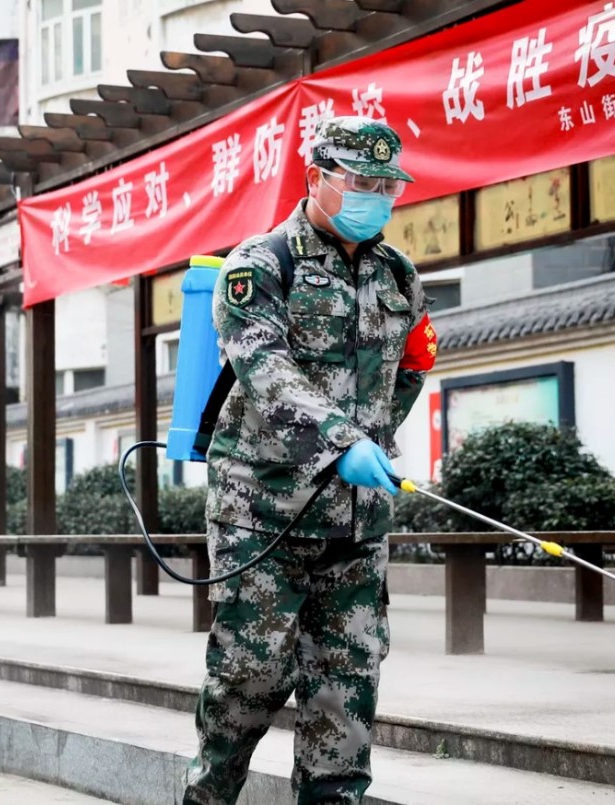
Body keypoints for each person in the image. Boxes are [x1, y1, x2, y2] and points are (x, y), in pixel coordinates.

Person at [186, 117, 439, 804]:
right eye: (362, 182)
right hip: (263, 513)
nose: (378, 196)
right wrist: (339, 440)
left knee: (346, 688)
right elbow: (265, 373)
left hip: (356, 525)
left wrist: (374, 436)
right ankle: (208, 795)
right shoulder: (260, 266)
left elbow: (411, 367)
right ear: (318, 177)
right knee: (249, 678)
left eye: (388, 185)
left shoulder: (398, 276)